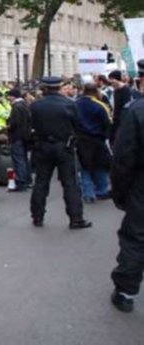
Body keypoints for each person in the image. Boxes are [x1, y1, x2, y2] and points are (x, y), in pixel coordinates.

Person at [30, 76, 92, 229]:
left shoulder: (36, 105)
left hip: (43, 146)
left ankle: (37, 216)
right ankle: (76, 218)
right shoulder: (69, 104)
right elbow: (78, 126)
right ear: (59, 87)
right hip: (64, 146)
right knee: (70, 183)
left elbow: (31, 126)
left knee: (41, 182)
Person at [110, 59, 144, 313]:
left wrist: (121, 193)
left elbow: (123, 158)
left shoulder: (136, 111)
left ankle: (125, 290)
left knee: (135, 238)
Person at [75, 83, 112, 203]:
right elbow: (107, 122)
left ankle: (88, 193)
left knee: (84, 166)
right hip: (97, 139)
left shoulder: (75, 104)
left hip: (81, 139)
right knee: (100, 165)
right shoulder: (100, 105)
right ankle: (102, 190)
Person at [7, 89, 32, 192]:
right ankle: (27, 179)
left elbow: (14, 123)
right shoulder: (24, 105)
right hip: (25, 136)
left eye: (9, 96)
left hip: (17, 136)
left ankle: (21, 181)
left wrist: (7, 127)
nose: (8, 98)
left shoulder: (16, 107)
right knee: (24, 159)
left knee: (18, 159)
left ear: (13, 96)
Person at [108, 70, 132, 145]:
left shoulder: (125, 90)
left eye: (112, 81)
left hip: (122, 121)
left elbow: (126, 107)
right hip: (115, 120)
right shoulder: (115, 91)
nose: (111, 83)